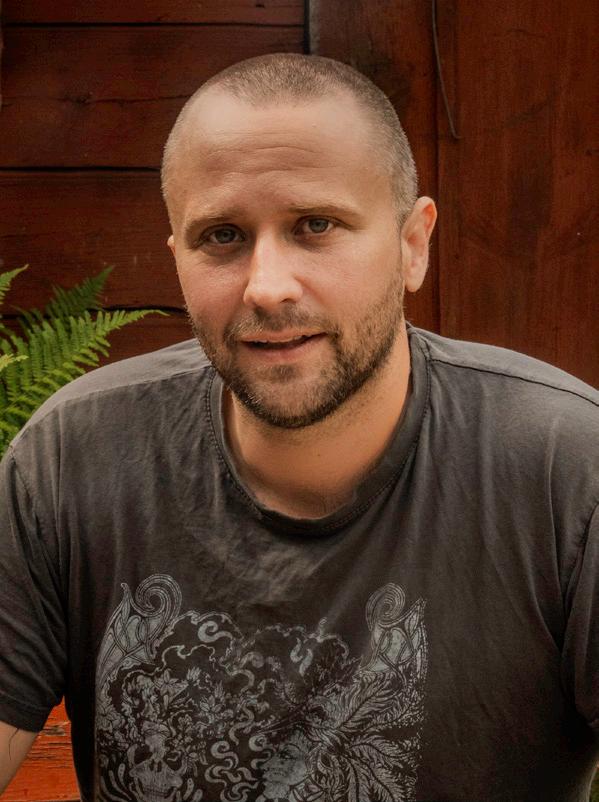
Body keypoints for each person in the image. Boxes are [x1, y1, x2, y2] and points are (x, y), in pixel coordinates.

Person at [0, 52, 597, 802]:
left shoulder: (565, 471)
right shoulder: (72, 457)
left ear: (412, 245)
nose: (268, 287)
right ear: (178, 259)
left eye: (316, 226)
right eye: (222, 236)